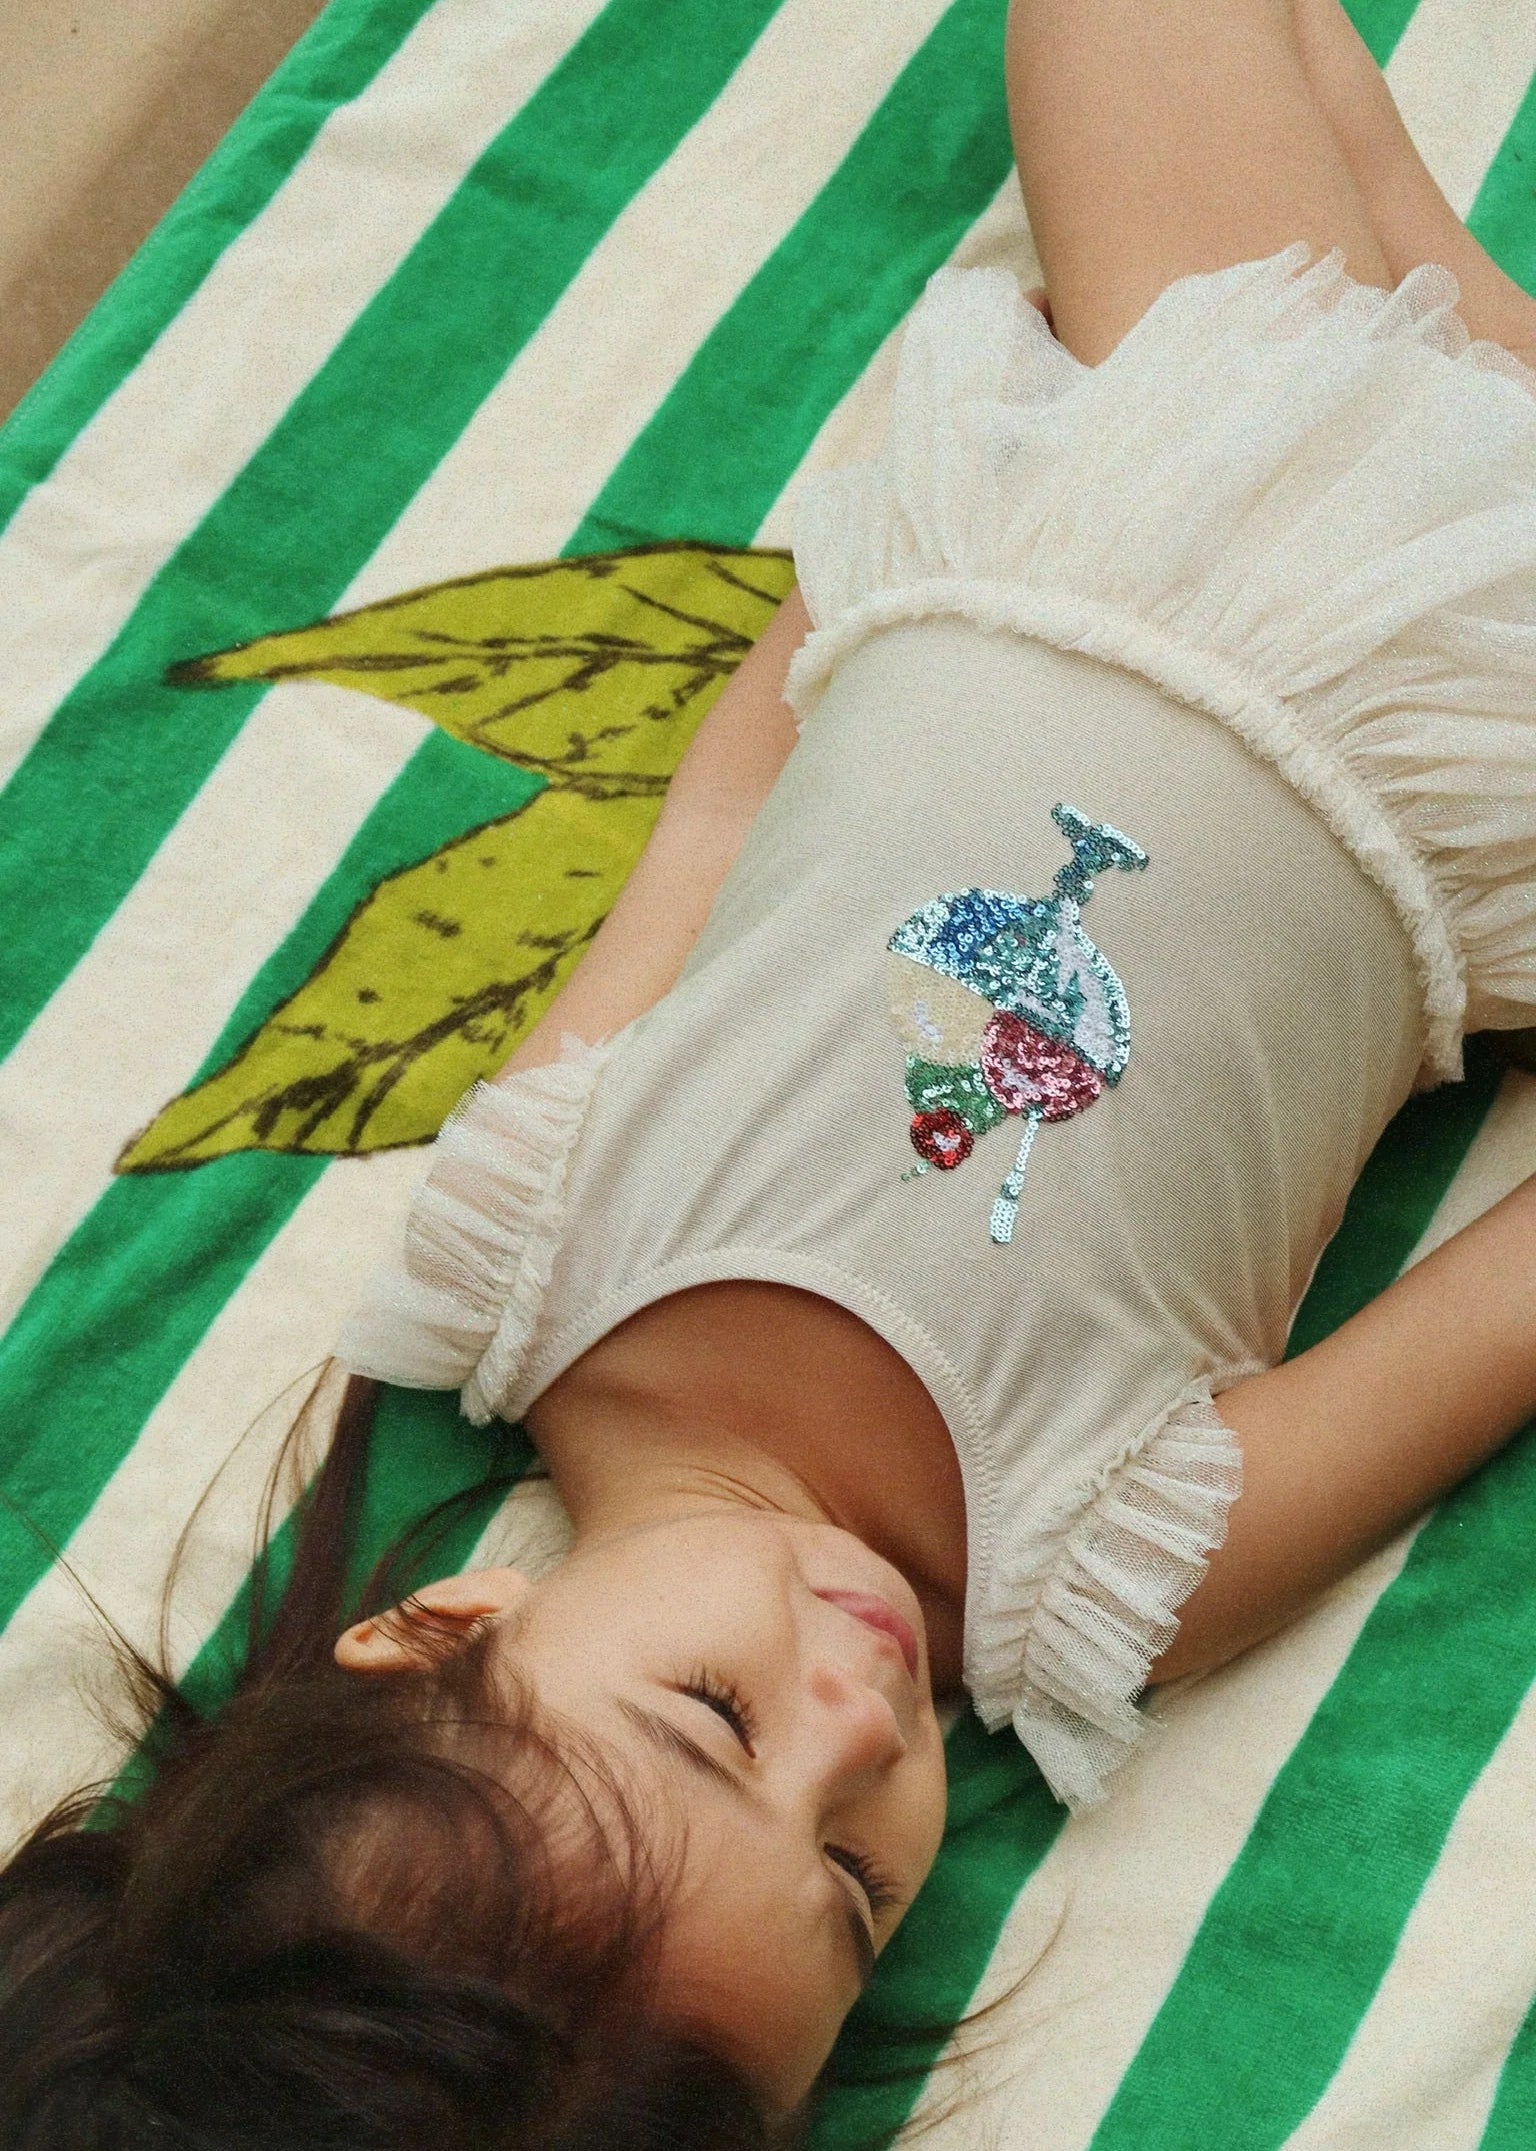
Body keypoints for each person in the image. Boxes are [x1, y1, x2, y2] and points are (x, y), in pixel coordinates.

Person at [7, 1, 1536, 2143]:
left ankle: (1452, 332)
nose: (860, 1711)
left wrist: (896, 516)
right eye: (855, 1870)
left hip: (1118, 504)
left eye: (717, 1716)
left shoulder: (525, 1236)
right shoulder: (1103, 1565)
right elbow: (1500, 1307)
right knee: (1376, 260)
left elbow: (709, 849)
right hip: (1462, 730)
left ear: (435, 1626)